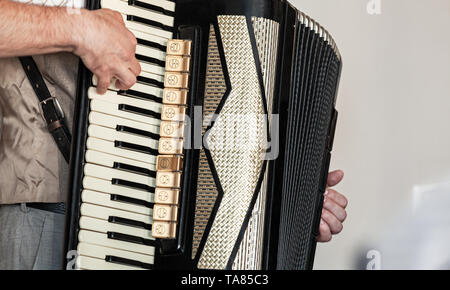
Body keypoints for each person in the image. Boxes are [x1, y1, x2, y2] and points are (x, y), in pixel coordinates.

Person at [0, 0, 347, 270]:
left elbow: (190, 114)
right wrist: (78, 29)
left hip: (148, 240)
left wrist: (283, 205)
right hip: (49, 219)